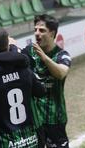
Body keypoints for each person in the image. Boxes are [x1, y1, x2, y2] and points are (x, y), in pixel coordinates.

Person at [21, 14, 71, 148]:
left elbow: (61, 73)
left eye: (42, 30)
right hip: (34, 119)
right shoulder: (28, 52)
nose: (37, 33)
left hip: (55, 118)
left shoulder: (62, 55)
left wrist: (44, 58)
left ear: (52, 33)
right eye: (35, 30)